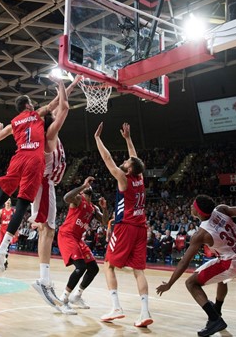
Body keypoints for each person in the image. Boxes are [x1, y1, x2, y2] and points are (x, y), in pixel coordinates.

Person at [0, 78, 67, 275]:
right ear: (28, 105)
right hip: (33, 161)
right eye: (31, 103)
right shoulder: (36, 114)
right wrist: (64, 84)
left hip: (17, 160)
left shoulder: (14, 122)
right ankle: (2, 249)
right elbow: (57, 103)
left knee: (0, 198)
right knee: (22, 205)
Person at [156, 194, 236, 337]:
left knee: (191, 283)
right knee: (222, 278)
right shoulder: (221, 209)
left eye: (193, 205)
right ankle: (217, 309)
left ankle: (214, 319)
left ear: (198, 212)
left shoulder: (202, 234)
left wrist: (169, 284)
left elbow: (184, 262)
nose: (190, 206)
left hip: (231, 262)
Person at [28, 75, 80, 308]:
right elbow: (65, 105)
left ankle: (45, 280)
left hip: (45, 185)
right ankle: (43, 280)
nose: (57, 111)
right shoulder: (49, 135)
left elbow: (61, 101)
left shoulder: (47, 130)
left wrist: (73, 83)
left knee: (47, 231)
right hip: (43, 184)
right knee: (47, 231)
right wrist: (60, 82)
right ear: (51, 119)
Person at [94, 122, 153, 328]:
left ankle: (116, 307)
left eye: (126, 161)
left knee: (108, 265)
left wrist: (98, 139)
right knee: (139, 270)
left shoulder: (123, 178)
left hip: (125, 226)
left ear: (128, 169)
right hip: (140, 227)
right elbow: (136, 160)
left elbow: (107, 159)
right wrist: (128, 139)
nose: (125, 161)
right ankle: (144, 312)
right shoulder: (140, 177)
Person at [57, 176, 109, 315]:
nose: (82, 193)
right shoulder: (78, 200)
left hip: (78, 239)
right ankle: (63, 299)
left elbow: (104, 221)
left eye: (85, 191)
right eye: (83, 191)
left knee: (93, 268)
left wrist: (104, 208)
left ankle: (77, 296)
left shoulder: (93, 208)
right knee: (80, 267)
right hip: (67, 235)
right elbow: (66, 197)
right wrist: (82, 186)